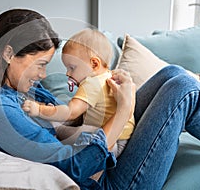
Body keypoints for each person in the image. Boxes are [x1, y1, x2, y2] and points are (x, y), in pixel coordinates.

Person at [0, 8, 200, 189]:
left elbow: (69, 123)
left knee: (173, 74)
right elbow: (75, 167)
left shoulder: (22, 92)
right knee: (184, 89)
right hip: (107, 181)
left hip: (107, 153)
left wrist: (98, 92)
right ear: (9, 54)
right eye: (41, 64)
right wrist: (123, 110)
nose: (44, 74)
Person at [22, 28, 135, 157]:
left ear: (94, 64)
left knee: (87, 131)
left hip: (112, 144)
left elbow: (71, 112)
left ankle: (57, 128)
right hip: (124, 140)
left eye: (72, 68)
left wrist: (39, 110)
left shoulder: (92, 84)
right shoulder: (108, 76)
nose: (67, 74)